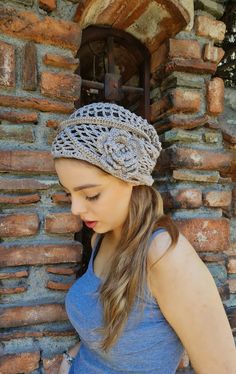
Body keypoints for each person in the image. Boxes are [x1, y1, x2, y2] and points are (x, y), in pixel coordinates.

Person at [51, 102, 236, 374]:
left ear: (132, 181)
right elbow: (101, 330)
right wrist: (69, 359)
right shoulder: (100, 239)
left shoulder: (165, 256)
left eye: (90, 195)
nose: (75, 209)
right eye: (69, 193)